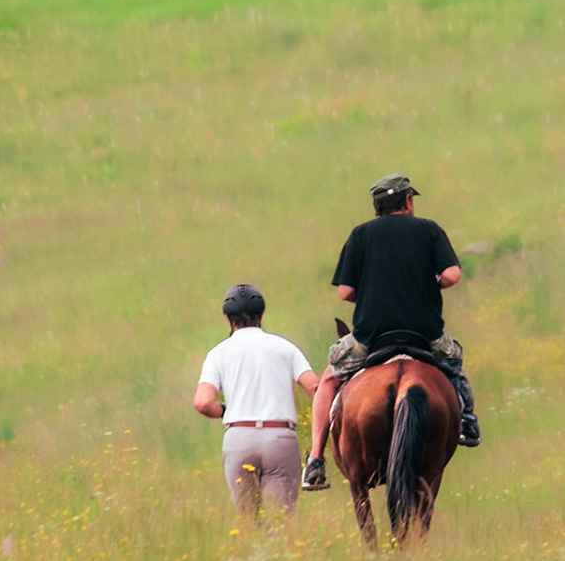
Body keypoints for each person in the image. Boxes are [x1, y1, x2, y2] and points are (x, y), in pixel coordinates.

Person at [305, 174, 479, 492]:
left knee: (329, 379)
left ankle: (315, 460)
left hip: (371, 336)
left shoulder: (360, 235)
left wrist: (371, 294)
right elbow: (453, 275)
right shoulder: (429, 230)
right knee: (454, 361)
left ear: (377, 206)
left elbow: (344, 292)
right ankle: (467, 421)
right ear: (408, 201)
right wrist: (431, 284)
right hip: (424, 333)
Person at [193, 283, 323, 518]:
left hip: (239, 437)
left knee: (249, 522)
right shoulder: (285, 348)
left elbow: (202, 402)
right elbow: (315, 387)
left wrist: (224, 410)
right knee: (281, 522)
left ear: (227, 319)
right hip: (280, 438)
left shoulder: (218, 353)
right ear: (261, 315)